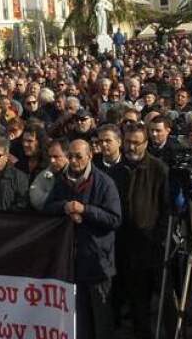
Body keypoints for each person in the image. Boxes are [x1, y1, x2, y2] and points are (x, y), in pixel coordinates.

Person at [44, 139, 122, 339]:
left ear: (89, 156)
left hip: (98, 262)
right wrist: (65, 208)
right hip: (73, 262)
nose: (74, 160)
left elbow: (114, 218)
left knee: (101, 319)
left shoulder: (104, 183)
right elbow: (48, 207)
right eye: (70, 156)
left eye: (78, 156)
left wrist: (85, 210)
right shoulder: (62, 181)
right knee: (80, 320)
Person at [114, 125, 172, 339]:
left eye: (136, 142)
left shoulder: (159, 169)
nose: (131, 147)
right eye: (127, 142)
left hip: (154, 244)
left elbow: (167, 208)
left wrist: (160, 238)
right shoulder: (118, 169)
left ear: (146, 143)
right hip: (128, 245)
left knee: (165, 297)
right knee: (138, 299)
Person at [30, 138, 70, 210]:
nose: (52, 160)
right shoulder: (44, 174)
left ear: (67, 156)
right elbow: (36, 201)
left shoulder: (76, 175)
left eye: (56, 156)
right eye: (50, 157)